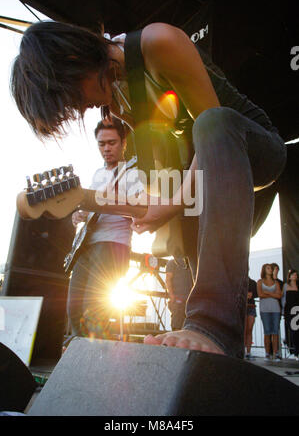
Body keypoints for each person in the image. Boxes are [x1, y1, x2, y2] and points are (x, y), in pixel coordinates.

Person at [10, 20, 287, 359]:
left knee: (214, 123)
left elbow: (212, 130)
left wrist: (174, 201)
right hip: (199, 178)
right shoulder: (119, 100)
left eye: (71, 97)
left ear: (72, 58)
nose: (79, 109)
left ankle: (213, 324)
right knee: (188, 263)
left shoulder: (157, 42)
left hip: (254, 147)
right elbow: (166, 168)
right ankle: (215, 348)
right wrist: (146, 204)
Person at [67, 116, 144, 338]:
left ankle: (98, 364)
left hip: (113, 246)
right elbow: (92, 208)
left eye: (112, 143)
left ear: (123, 143)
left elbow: (141, 208)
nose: (107, 148)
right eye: (102, 144)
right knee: (73, 308)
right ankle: (81, 361)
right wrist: (80, 214)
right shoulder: (97, 174)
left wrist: (108, 201)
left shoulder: (133, 173)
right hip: (88, 246)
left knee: (94, 311)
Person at [257, 264, 282, 361]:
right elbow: (260, 294)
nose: (270, 269)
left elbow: (279, 296)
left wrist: (267, 293)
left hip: (275, 309)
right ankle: (267, 353)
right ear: (264, 270)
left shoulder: (276, 282)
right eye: (268, 268)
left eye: (271, 268)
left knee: (275, 332)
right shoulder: (260, 282)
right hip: (265, 309)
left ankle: (275, 353)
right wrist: (273, 294)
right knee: (267, 332)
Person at [165, 257, 194, 331]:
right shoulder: (172, 263)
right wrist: (172, 296)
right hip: (178, 301)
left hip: (190, 301)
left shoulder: (191, 263)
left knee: (189, 327)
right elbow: (168, 279)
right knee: (177, 326)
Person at [282, 269, 299, 360]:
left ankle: (296, 352)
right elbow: (283, 298)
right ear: (289, 276)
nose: (295, 276)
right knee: (293, 332)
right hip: (289, 311)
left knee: (297, 332)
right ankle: (294, 352)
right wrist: (283, 311)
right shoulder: (286, 285)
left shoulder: (298, 286)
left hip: (297, 310)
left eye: (296, 275)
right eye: (293, 274)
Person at [244, 277, 258, 360]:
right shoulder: (238, 280)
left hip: (251, 307)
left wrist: (251, 295)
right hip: (242, 307)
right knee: (244, 330)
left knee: (249, 329)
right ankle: (242, 351)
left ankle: (248, 352)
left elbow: (257, 294)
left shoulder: (253, 282)